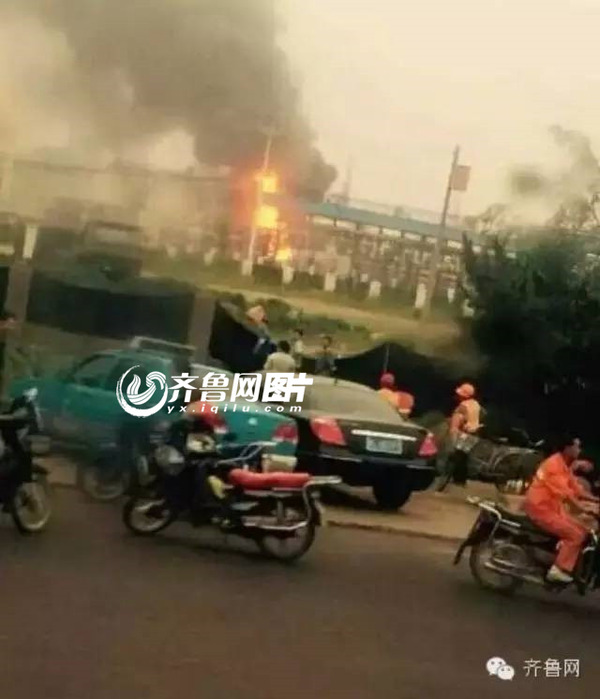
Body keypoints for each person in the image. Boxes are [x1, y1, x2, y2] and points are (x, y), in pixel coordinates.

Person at [524, 436, 599, 583]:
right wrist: (585, 509)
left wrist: (595, 500)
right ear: (567, 448)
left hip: (552, 509)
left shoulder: (563, 464)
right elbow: (568, 496)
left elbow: (577, 490)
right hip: (541, 510)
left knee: (583, 530)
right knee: (576, 535)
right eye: (577, 446)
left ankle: (560, 555)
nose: (579, 450)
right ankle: (558, 569)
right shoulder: (554, 466)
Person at [436, 383, 482, 492]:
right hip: (473, 435)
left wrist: (452, 437)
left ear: (463, 395)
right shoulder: (476, 404)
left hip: (463, 435)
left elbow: (455, 424)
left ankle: (442, 483)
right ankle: (460, 481)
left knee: (451, 457)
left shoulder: (462, 406)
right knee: (462, 458)